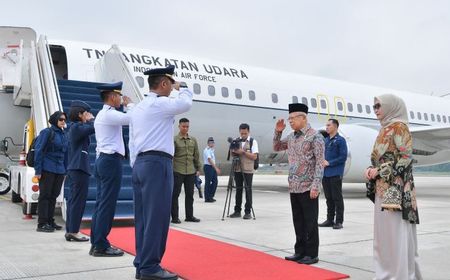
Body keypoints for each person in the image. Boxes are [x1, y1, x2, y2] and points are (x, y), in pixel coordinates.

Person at [129, 65, 192, 280]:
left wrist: (135, 164)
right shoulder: (160, 102)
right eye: (170, 83)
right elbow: (185, 103)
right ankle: (150, 268)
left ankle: (141, 264)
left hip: (140, 163)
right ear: (164, 83)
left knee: (143, 219)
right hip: (157, 163)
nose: (172, 87)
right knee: (157, 217)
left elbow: (132, 141)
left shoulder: (138, 108)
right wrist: (182, 86)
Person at [365, 94, 422, 280]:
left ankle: (399, 275)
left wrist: (380, 170)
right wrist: (371, 170)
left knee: (395, 233)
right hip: (382, 188)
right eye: (374, 106)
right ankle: (385, 273)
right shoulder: (384, 129)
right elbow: (379, 157)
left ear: (391, 106)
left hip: (395, 189)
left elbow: (406, 158)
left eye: (379, 105)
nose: (376, 109)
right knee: (383, 236)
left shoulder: (399, 127)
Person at [273, 103, 324, 265]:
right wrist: (278, 132)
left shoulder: (315, 136)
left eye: (293, 118)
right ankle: (300, 251)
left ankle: (311, 254)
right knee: (298, 221)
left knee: (310, 222)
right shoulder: (292, 137)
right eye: (289, 119)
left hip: (309, 186)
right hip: (294, 186)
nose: (290, 121)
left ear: (303, 118)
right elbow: (276, 147)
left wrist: (316, 185)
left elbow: (320, 163)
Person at [90, 81, 133, 257]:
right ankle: (100, 245)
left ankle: (97, 242)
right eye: (119, 96)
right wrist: (129, 104)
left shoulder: (102, 114)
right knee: (107, 204)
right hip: (110, 161)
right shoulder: (110, 114)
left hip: (103, 160)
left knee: (101, 203)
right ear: (113, 97)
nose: (120, 99)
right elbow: (132, 119)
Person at [65, 100, 95, 242]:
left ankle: (70, 230)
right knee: (77, 201)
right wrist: (92, 120)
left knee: (73, 200)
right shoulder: (76, 127)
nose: (88, 115)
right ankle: (74, 231)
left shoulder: (75, 127)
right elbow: (94, 127)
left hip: (75, 167)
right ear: (79, 114)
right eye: (86, 113)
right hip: (79, 167)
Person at [34, 111, 69, 232]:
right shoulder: (47, 132)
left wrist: (65, 171)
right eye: (61, 119)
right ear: (55, 120)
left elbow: (66, 154)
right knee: (45, 195)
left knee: (54, 195)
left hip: (59, 170)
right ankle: (42, 223)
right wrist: (38, 170)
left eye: (64, 119)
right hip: (47, 168)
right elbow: (39, 151)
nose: (63, 121)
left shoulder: (64, 135)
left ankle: (50, 220)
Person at [171, 118, 202, 223]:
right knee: (175, 194)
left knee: (190, 195)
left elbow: (196, 155)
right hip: (177, 170)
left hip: (190, 171)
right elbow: (171, 155)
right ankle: (175, 217)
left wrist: (198, 168)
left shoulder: (193, 140)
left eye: (187, 126)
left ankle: (189, 216)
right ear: (179, 126)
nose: (185, 128)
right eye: (183, 126)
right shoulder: (174, 140)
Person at [319, 118, 348, 230]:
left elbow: (343, 157)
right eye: (326, 125)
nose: (326, 127)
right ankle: (330, 220)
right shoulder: (325, 140)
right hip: (325, 174)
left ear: (335, 127)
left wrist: (329, 162)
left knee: (337, 198)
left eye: (329, 125)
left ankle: (339, 221)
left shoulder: (340, 141)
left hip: (335, 173)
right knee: (328, 198)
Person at [229, 123, 259, 220]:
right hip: (238, 168)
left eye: (245, 133)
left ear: (248, 132)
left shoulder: (252, 141)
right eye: (242, 133)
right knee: (238, 189)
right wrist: (233, 151)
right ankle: (237, 211)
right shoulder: (236, 141)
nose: (243, 135)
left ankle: (247, 212)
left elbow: (254, 156)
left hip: (248, 169)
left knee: (248, 190)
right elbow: (232, 155)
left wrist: (243, 152)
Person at [203, 137, 220, 202]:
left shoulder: (212, 150)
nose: (211, 144)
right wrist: (216, 168)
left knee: (215, 182)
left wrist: (214, 168)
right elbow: (209, 160)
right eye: (210, 142)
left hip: (212, 167)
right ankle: (207, 198)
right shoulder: (207, 150)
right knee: (208, 182)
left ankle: (211, 196)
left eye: (212, 142)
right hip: (208, 167)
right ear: (208, 143)